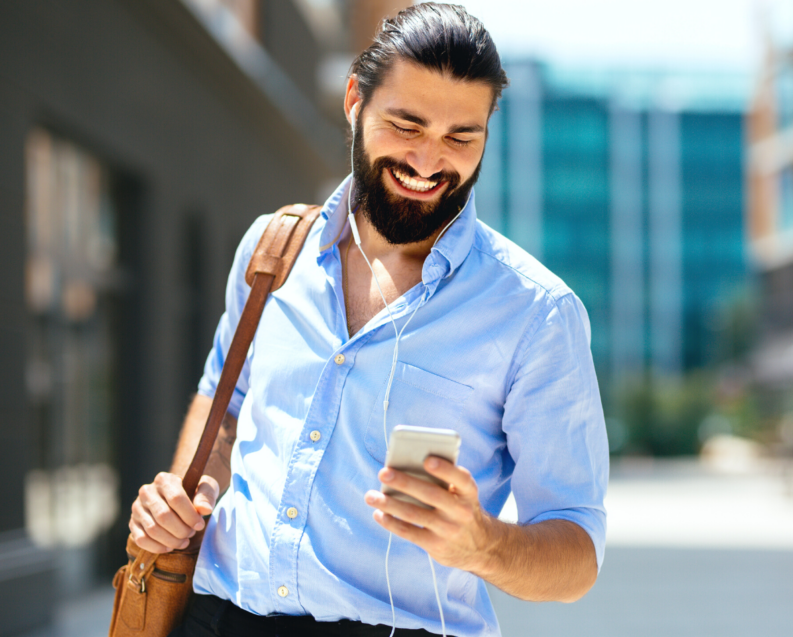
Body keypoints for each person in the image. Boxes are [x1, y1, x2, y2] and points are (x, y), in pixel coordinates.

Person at [130, 4, 608, 636]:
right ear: (355, 99)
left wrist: (481, 544)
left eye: (461, 137)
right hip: (216, 618)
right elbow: (225, 403)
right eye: (406, 124)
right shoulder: (271, 251)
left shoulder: (537, 315)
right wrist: (188, 497)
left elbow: (577, 554)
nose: (428, 161)